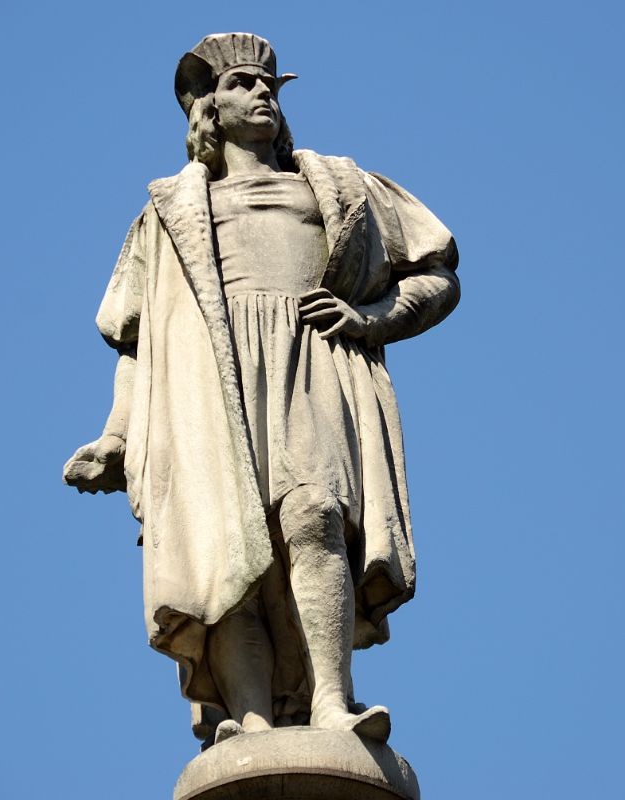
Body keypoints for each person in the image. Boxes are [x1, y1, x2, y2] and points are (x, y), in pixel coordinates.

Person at [63, 33, 459, 747]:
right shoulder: (167, 212)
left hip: (312, 363)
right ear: (208, 105)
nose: (264, 94)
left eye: (271, 84)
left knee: (315, 516)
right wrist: (117, 436)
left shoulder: (338, 184)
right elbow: (137, 342)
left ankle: (333, 704)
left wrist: (371, 319)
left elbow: (436, 273)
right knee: (227, 552)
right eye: (245, 83)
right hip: (204, 386)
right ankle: (246, 722)